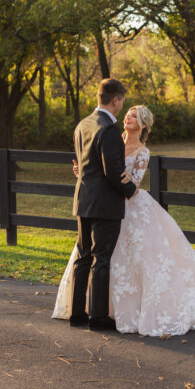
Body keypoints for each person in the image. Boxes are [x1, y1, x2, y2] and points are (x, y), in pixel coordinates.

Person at [54, 105, 195, 336]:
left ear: (143, 125)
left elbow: (133, 183)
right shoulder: (110, 138)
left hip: (130, 206)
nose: (129, 118)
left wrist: (113, 177)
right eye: (128, 114)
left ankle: (127, 309)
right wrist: (85, 171)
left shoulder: (142, 151)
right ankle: (96, 308)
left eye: (135, 116)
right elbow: (100, 170)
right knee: (95, 256)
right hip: (104, 205)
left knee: (134, 259)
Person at [66, 78, 137, 331]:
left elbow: (84, 163)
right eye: (122, 101)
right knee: (101, 259)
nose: (121, 106)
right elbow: (113, 171)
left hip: (83, 200)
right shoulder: (108, 129)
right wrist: (131, 189)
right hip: (105, 203)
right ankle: (97, 317)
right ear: (116, 99)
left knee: (83, 257)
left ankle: (76, 314)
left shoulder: (83, 124)